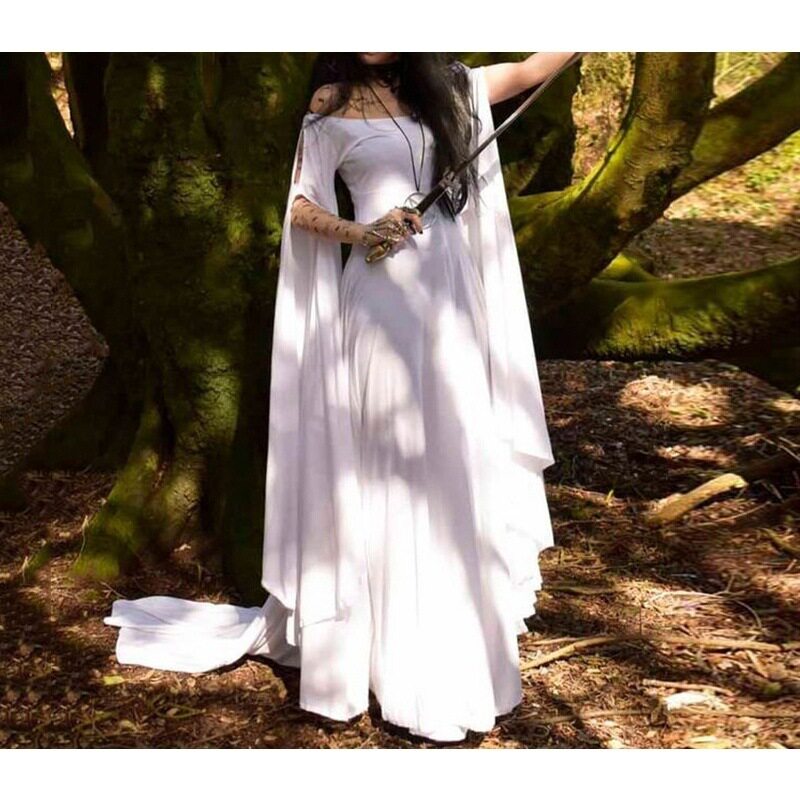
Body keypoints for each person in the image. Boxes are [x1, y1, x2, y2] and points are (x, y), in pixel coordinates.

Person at [104, 52, 570, 743]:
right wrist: (363, 231)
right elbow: (300, 205)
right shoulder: (330, 102)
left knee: (452, 461)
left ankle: (457, 654)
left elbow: (533, 70)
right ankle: (388, 662)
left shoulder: (445, 88)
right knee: (393, 468)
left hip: (451, 295)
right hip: (381, 301)